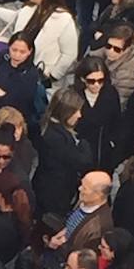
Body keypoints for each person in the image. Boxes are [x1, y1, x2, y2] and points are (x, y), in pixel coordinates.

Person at [34, 88, 93, 218]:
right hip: (54, 195)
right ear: (65, 112)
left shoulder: (52, 129)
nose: (79, 115)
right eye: (75, 111)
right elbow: (83, 162)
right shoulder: (55, 138)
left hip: (53, 190)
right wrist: (84, 144)